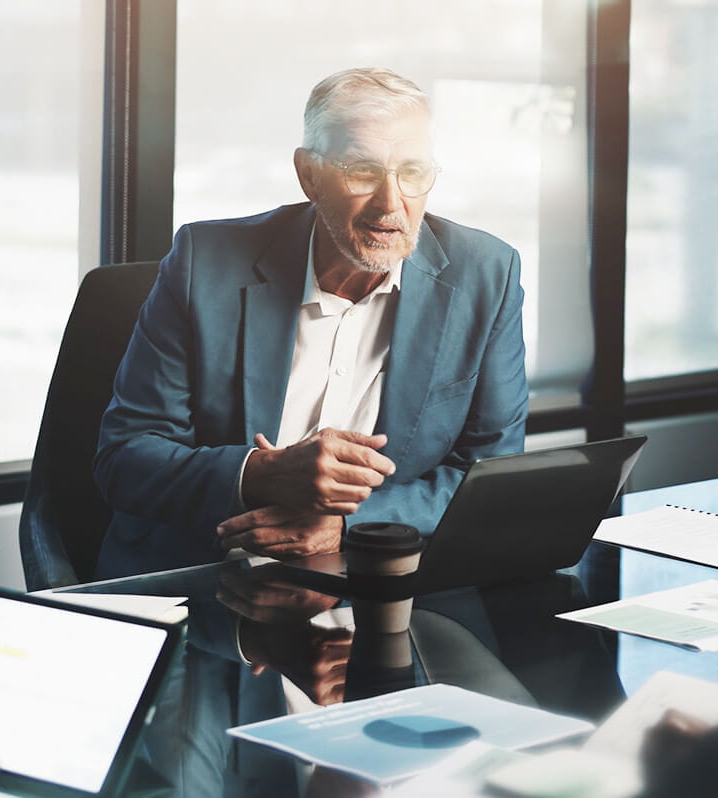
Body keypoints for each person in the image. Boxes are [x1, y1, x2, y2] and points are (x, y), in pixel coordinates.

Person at [94, 68, 527, 578]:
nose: (391, 203)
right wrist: (262, 475)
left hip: (373, 581)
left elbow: (492, 474)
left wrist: (351, 524)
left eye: (412, 171)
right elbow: (125, 458)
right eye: (362, 171)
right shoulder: (202, 263)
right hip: (203, 576)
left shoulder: (487, 275)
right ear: (309, 175)